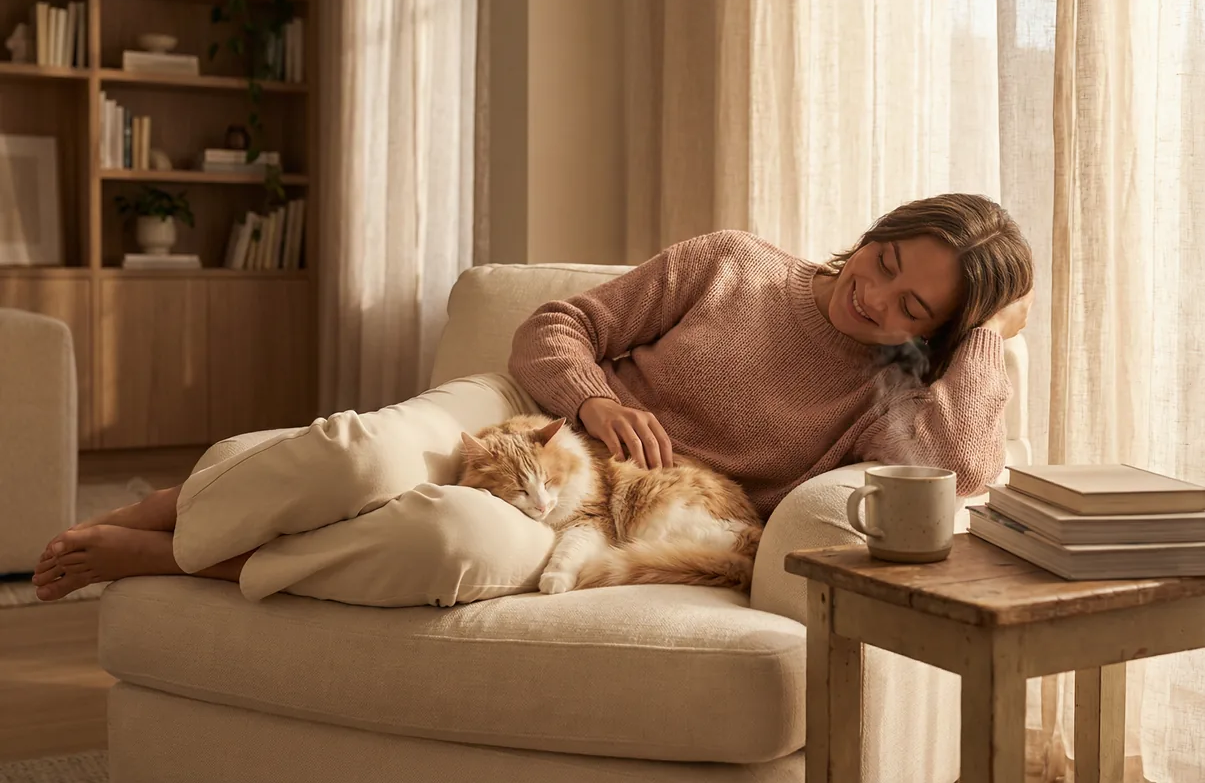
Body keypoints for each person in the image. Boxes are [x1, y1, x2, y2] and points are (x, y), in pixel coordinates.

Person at [32, 193, 1033, 606]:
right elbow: (554, 329)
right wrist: (594, 405)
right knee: (353, 459)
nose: (872, 294)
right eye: (883, 258)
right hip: (526, 413)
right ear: (871, 229)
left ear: (932, 335)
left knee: (443, 548)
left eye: (911, 307)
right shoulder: (731, 264)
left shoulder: (881, 392)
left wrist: (985, 332)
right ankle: (160, 509)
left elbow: (957, 469)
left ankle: (183, 555)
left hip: (596, 509)